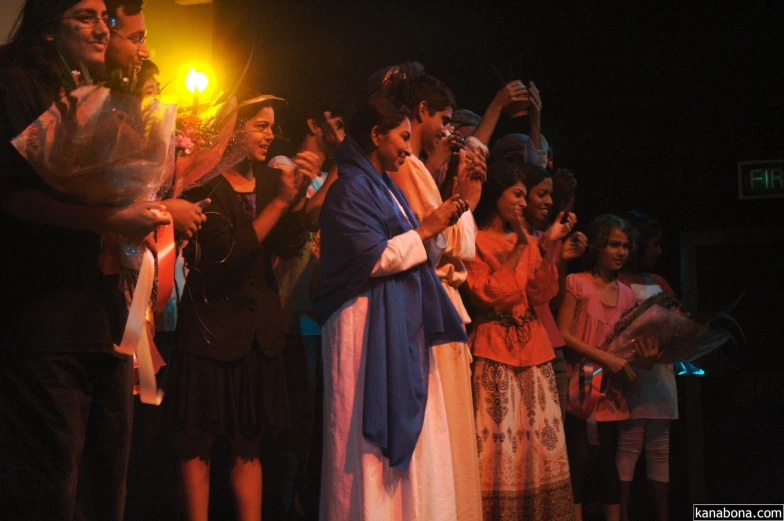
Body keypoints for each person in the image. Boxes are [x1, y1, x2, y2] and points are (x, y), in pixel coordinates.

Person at [0, 1, 172, 520]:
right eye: (85, 16)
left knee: (105, 489)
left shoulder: (90, 94)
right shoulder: (15, 85)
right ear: (50, 26)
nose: (102, 28)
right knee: (49, 490)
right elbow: (11, 197)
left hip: (103, 321)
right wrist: (112, 217)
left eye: (106, 18)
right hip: (43, 320)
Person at [164, 91, 318, 521]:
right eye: (261, 125)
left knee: (248, 443)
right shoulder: (205, 184)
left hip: (256, 335)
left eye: (272, 126)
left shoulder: (271, 183)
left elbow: (288, 245)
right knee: (199, 441)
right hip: (211, 331)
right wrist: (281, 204)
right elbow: (228, 256)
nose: (271, 135)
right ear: (233, 130)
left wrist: (300, 196)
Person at [314, 97, 470, 521]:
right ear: (375, 135)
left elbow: (414, 251)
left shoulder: (387, 189)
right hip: (360, 326)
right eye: (402, 137)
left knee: (416, 446)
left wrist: (438, 228)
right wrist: (425, 229)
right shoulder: (349, 188)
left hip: (395, 322)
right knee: (360, 448)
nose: (406, 147)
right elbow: (370, 258)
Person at [384, 72, 486, 520]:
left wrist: (460, 196)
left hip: (439, 298)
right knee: (442, 431)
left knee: (449, 431)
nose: (447, 129)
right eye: (444, 119)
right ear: (421, 111)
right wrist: (467, 197)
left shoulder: (417, 166)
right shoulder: (408, 166)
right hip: (432, 302)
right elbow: (447, 243)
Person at [464, 160, 576, 520]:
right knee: (501, 448)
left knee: (541, 448)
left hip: (536, 351)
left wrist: (543, 249)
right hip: (494, 350)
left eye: (524, 196)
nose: (521, 202)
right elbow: (494, 296)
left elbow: (542, 293)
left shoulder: (527, 240)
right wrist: (518, 249)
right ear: (496, 196)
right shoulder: (477, 241)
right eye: (516, 195)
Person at [556, 214, 658, 521]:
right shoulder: (578, 283)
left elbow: (626, 346)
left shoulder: (627, 295)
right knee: (580, 459)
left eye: (626, 246)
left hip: (609, 389)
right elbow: (563, 333)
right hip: (583, 383)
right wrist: (606, 360)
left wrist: (646, 358)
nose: (621, 251)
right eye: (614, 244)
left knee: (606, 461)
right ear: (599, 247)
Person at [615, 211, 677, 521]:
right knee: (629, 444)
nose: (659, 250)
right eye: (654, 244)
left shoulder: (660, 283)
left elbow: (676, 324)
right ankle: (622, 514)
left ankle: (662, 515)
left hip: (661, 371)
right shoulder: (620, 282)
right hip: (633, 369)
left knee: (659, 447)